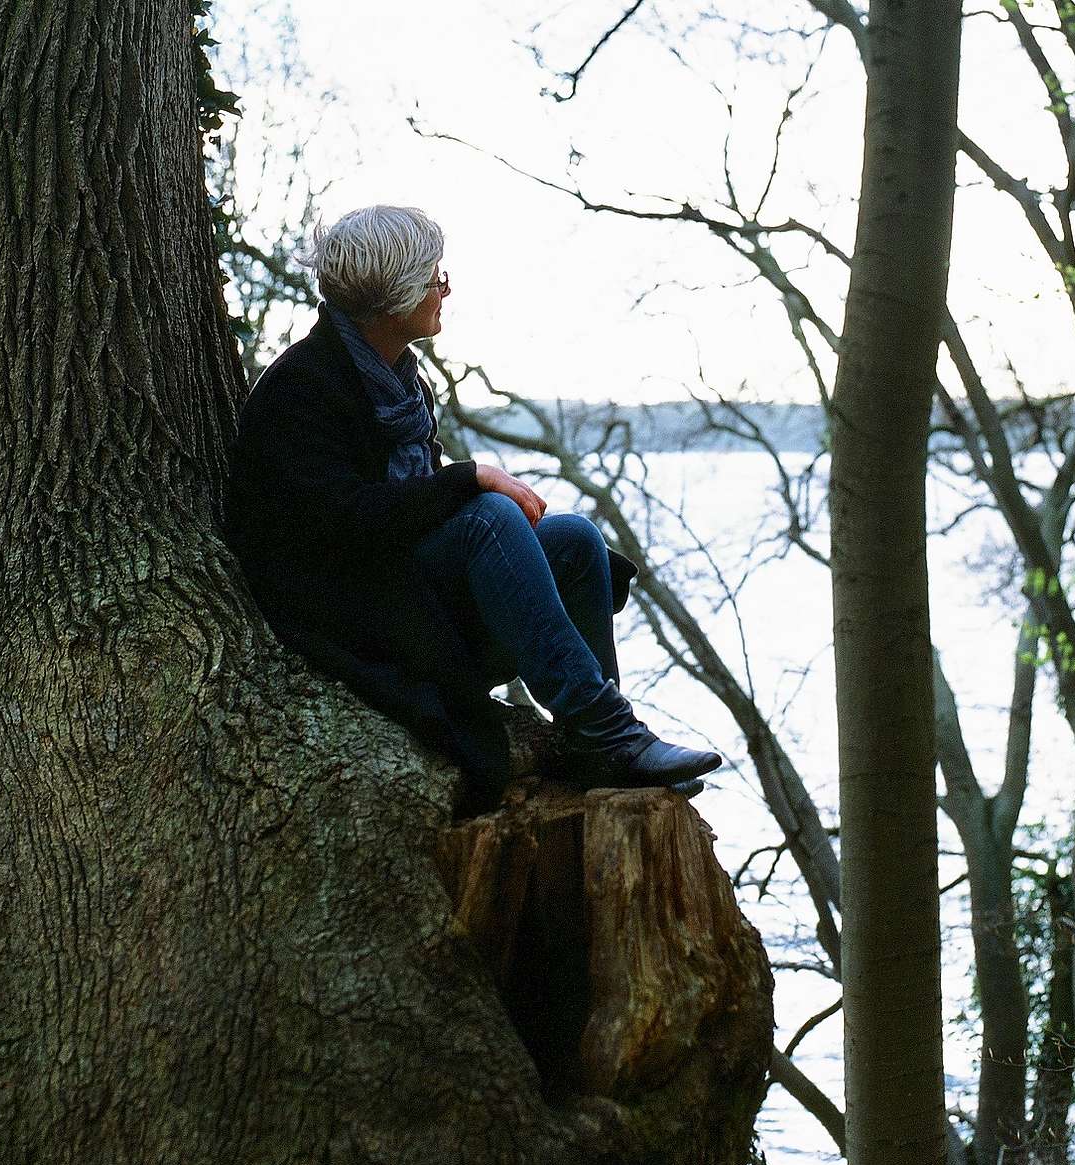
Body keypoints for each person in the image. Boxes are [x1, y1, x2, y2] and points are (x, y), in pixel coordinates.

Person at [224, 204, 723, 807]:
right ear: (395, 293)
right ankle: (607, 730)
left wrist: (464, 487)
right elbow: (347, 523)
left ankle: (597, 740)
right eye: (434, 275)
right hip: (355, 623)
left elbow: (409, 512)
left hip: (406, 594)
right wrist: (471, 477)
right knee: (489, 518)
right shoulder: (301, 389)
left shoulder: (398, 377)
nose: (445, 286)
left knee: (574, 539)